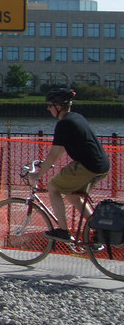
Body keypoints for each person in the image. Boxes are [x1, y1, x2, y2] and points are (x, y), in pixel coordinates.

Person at [25, 87, 110, 242]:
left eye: (50, 105)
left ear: (59, 106)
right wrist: (46, 164)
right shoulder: (76, 117)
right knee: (72, 195)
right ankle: (98, 229)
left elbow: (53, 155)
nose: (48, 109)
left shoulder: (64, 124)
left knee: (53, 187)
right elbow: (61, 149)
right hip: (102, 165)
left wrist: (38, 174)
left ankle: (63, 231)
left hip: (87, 166)